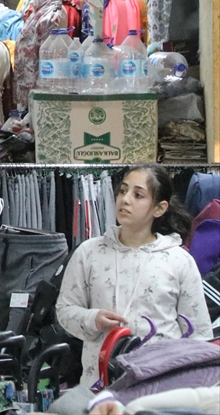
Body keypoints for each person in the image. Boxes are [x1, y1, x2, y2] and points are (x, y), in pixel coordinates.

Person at [56, 165, 212, 387]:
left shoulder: (179, 260)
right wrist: (93, 319)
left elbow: (197, 333)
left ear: (159, 208)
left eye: (138, 195)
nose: (125, 199)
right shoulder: (89, 252)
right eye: (123, 191)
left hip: (161, 388)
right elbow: (64, 310)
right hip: (100, 386)